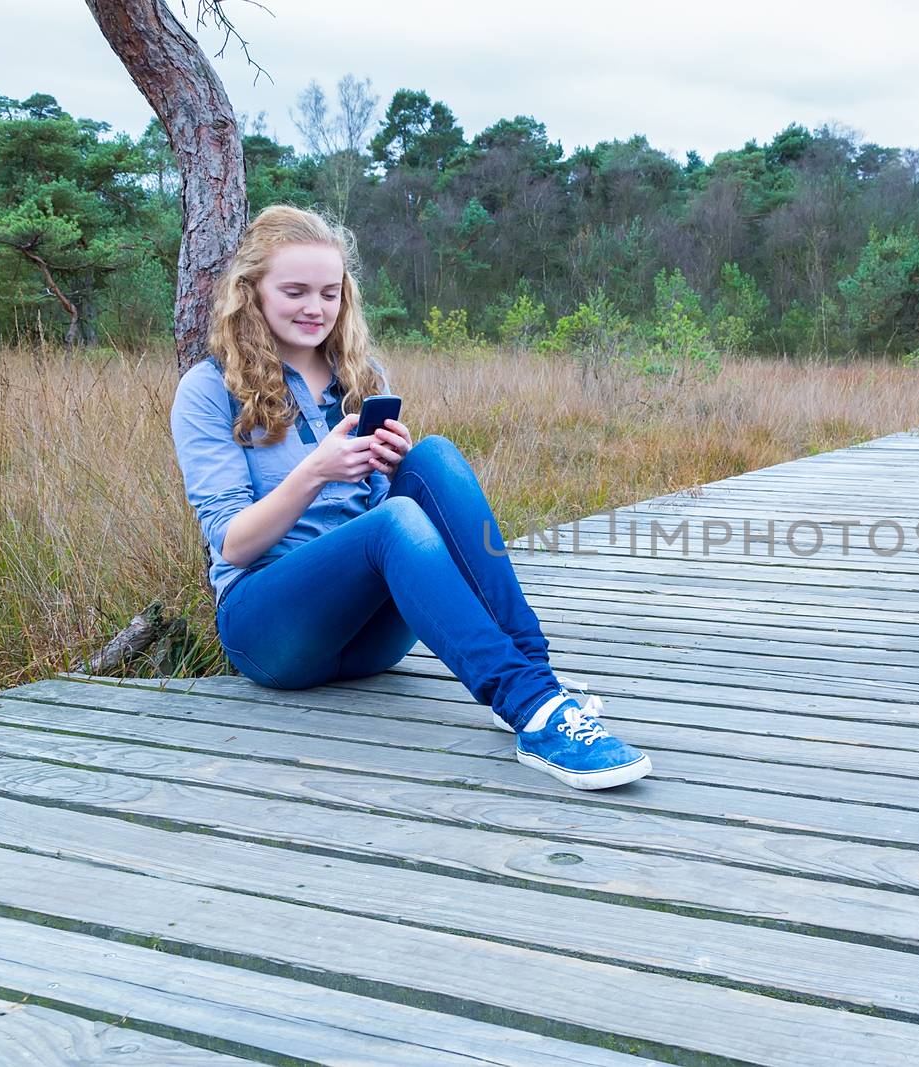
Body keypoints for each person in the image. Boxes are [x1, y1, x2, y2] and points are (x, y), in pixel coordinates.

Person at [170, 205, 651, 790]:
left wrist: (389, 465)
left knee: (434, 459)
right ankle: (533, 709)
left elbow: (381, 512)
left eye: (330, 292)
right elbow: (234, 544)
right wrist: (315, 472)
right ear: (251, 293)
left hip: (367, 641)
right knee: (395, 520)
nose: (314, 308)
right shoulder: (208, 389)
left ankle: (537, 682)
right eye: (294, 291)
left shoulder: (362, 375)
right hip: (271, 632)